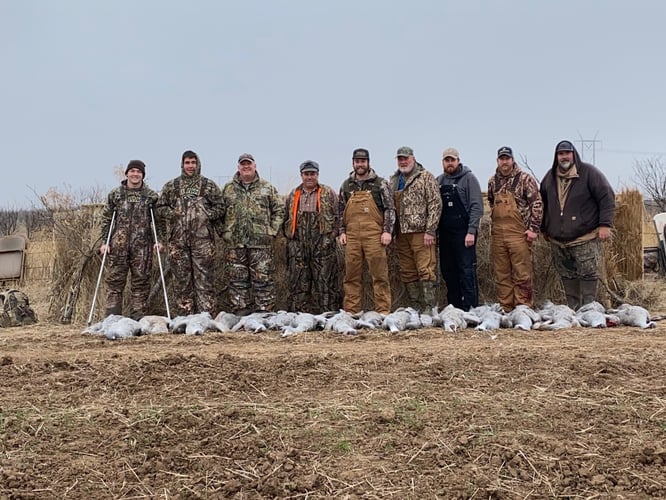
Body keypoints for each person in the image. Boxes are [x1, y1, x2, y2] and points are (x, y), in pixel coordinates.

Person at [540, 140, 615, 309]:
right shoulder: (550, 177)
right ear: (556, 157)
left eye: (567, 153)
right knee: (567, 274)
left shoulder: (589, 173)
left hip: (584, 236)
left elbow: (607, 197)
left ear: (574, 154)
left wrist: (605, 224)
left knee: (588, 272)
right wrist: (544, 227)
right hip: (558, 240)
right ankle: (573, 307)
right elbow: (542, 203)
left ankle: (589, 307)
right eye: (560, 154)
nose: (564, 156)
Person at [155, 150, 225, 315]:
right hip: (178, 243)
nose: (190, 166)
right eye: (187, 163)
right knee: (182, 282)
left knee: (204, 281)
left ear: (198, 164)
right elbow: (159, 207)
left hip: (203, 242)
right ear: (182, 164)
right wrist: (172, 214)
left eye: (193, 162)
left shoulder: (208, 185)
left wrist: (207, 215)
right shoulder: (172, 186)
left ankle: (206, 317)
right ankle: (185, 318)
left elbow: (221, 206)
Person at [220, 153, 285, 315]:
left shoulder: (267, 187)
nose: (246, 167)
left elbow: (279, 209)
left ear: (255, 166)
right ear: (238, 168)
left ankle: (264, 313)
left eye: (249, 164)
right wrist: (224, 232)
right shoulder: (228, 189)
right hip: (236, 245)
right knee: (237, 281)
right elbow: (218, 212)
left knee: (263, 280)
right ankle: (241, 313)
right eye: (243, 164)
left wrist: (272, 230)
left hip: (261, 244)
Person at [99, 160, 162, 320]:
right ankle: (112, 319)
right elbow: (106, 219)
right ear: (127, 173)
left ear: (143, 175)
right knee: (115, 283)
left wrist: (158, 240)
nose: (135, 174)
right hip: (118, 246)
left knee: (140, 283)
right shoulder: (116, 195)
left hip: (142, 247)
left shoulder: (151, 197)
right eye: (132, 171)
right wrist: (104, 242)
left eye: (138, 172)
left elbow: (158, 221)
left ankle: (137, 320)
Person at [338, 148, 395, 314]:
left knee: (379, 276)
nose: (360, 164)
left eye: (363, 161)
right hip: (353, 236)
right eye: (357, 161)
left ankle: (383, 313)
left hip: (374, 236)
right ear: (353, 163)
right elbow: (340, 210)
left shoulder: (380, 183)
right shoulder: (346, 185)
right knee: (351, 276)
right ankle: (351, 312)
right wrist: (342, 231)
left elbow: (390, 209)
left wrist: (387, 231)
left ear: (368, 162)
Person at [487, 146, 543, 311]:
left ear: (512, 160)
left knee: (522, 272)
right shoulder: (492, 181)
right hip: (498, 233)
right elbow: (491, 202)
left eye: (507, 158)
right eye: (501, 159)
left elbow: (537, 204)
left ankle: (523, 307)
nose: (504, 162)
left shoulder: (525, 179)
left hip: (519, 233)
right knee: (501, 273)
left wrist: (533, 228)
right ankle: (506, 308)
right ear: (497, 161)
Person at [389, 146, 442, 312]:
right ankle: (416, 307)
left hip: (421, 233)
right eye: (400, 159)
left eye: (406, 158)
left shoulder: (425, 177)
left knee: (426, 270)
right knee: (408, 271)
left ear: (413, 158)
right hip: (401, 233)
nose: (403, 161)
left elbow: (435, 203)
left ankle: (430, 307)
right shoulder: (393, 180)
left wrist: (430, 230)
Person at [283, 160, 340, 313]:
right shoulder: (293, 195)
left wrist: (332, 236)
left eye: (312, 174)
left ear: (317, 175)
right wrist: (290, 240)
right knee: (298, 284)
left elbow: (339, 215)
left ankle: (329, 316)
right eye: (306, 174)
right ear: (301, 175)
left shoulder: (328, 193)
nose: (310, 177)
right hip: (299, 247)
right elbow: (285, 218)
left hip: (323, 246)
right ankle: (298, 317)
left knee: (326, 283)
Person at [436, 147, 483, 311]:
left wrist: (471, 231)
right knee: (448, 270)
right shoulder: (439, 181)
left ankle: (470, 308)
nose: (450, 163)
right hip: (445, 234)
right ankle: (453, 307)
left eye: (452, 160)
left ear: (458, 161)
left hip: (463, 233)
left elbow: (477, 206)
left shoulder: (469, 179)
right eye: (446, 160)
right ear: (443, 162)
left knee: (466, 270)